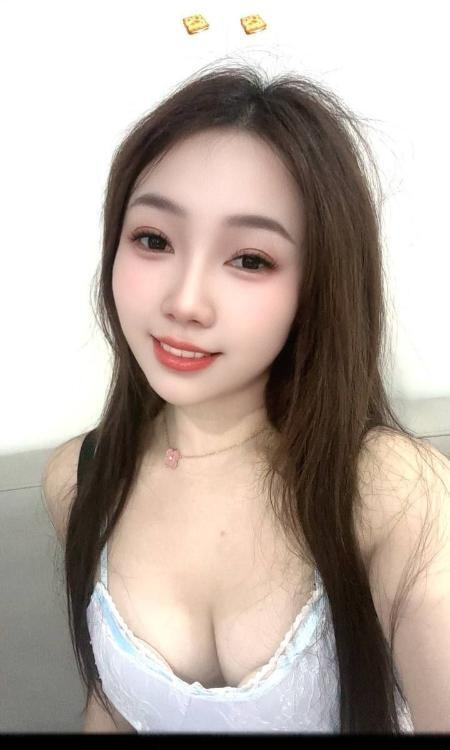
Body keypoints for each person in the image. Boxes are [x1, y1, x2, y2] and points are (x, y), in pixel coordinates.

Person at [41, 60, 450, 734]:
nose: (185, 301)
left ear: (317, 283)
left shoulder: (393, 493)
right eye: (153, 240)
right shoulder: (80, 480)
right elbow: (111, 709)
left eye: (250, 259)